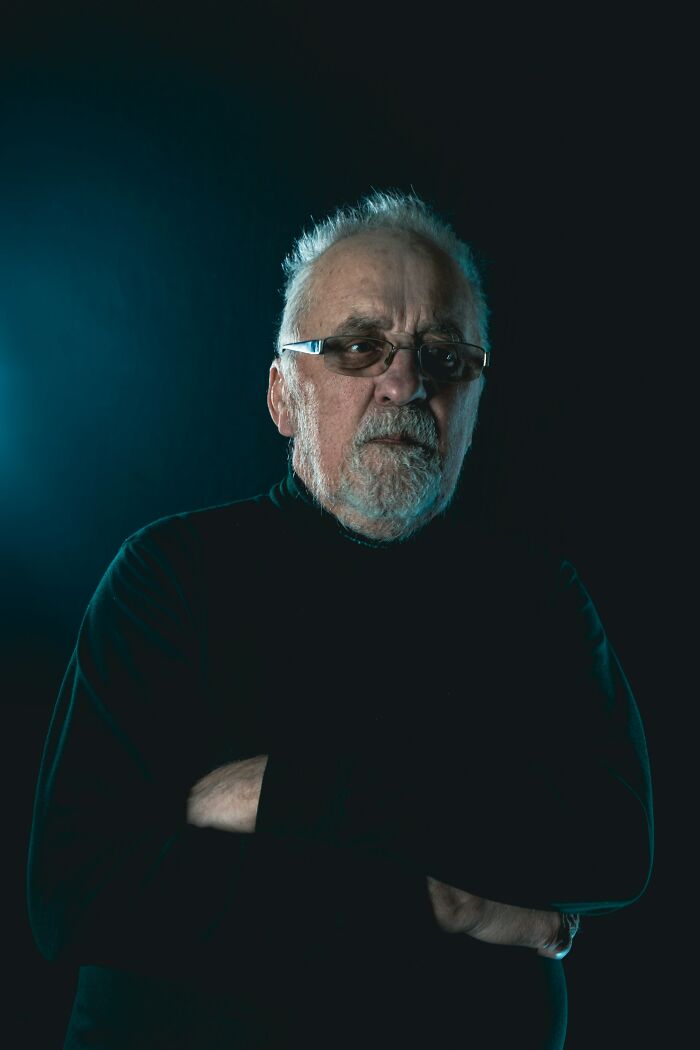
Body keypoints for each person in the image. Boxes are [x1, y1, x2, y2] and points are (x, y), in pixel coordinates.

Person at [28, 190, 653, 1049]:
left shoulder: (537, 597)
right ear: (284, 396)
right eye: (360, 347)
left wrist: (288, 794)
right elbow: (80, 893)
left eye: (445, 355)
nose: (406, 382)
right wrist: (451, 905)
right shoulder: (169, 578)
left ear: (475, 401)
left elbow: (611, 846)